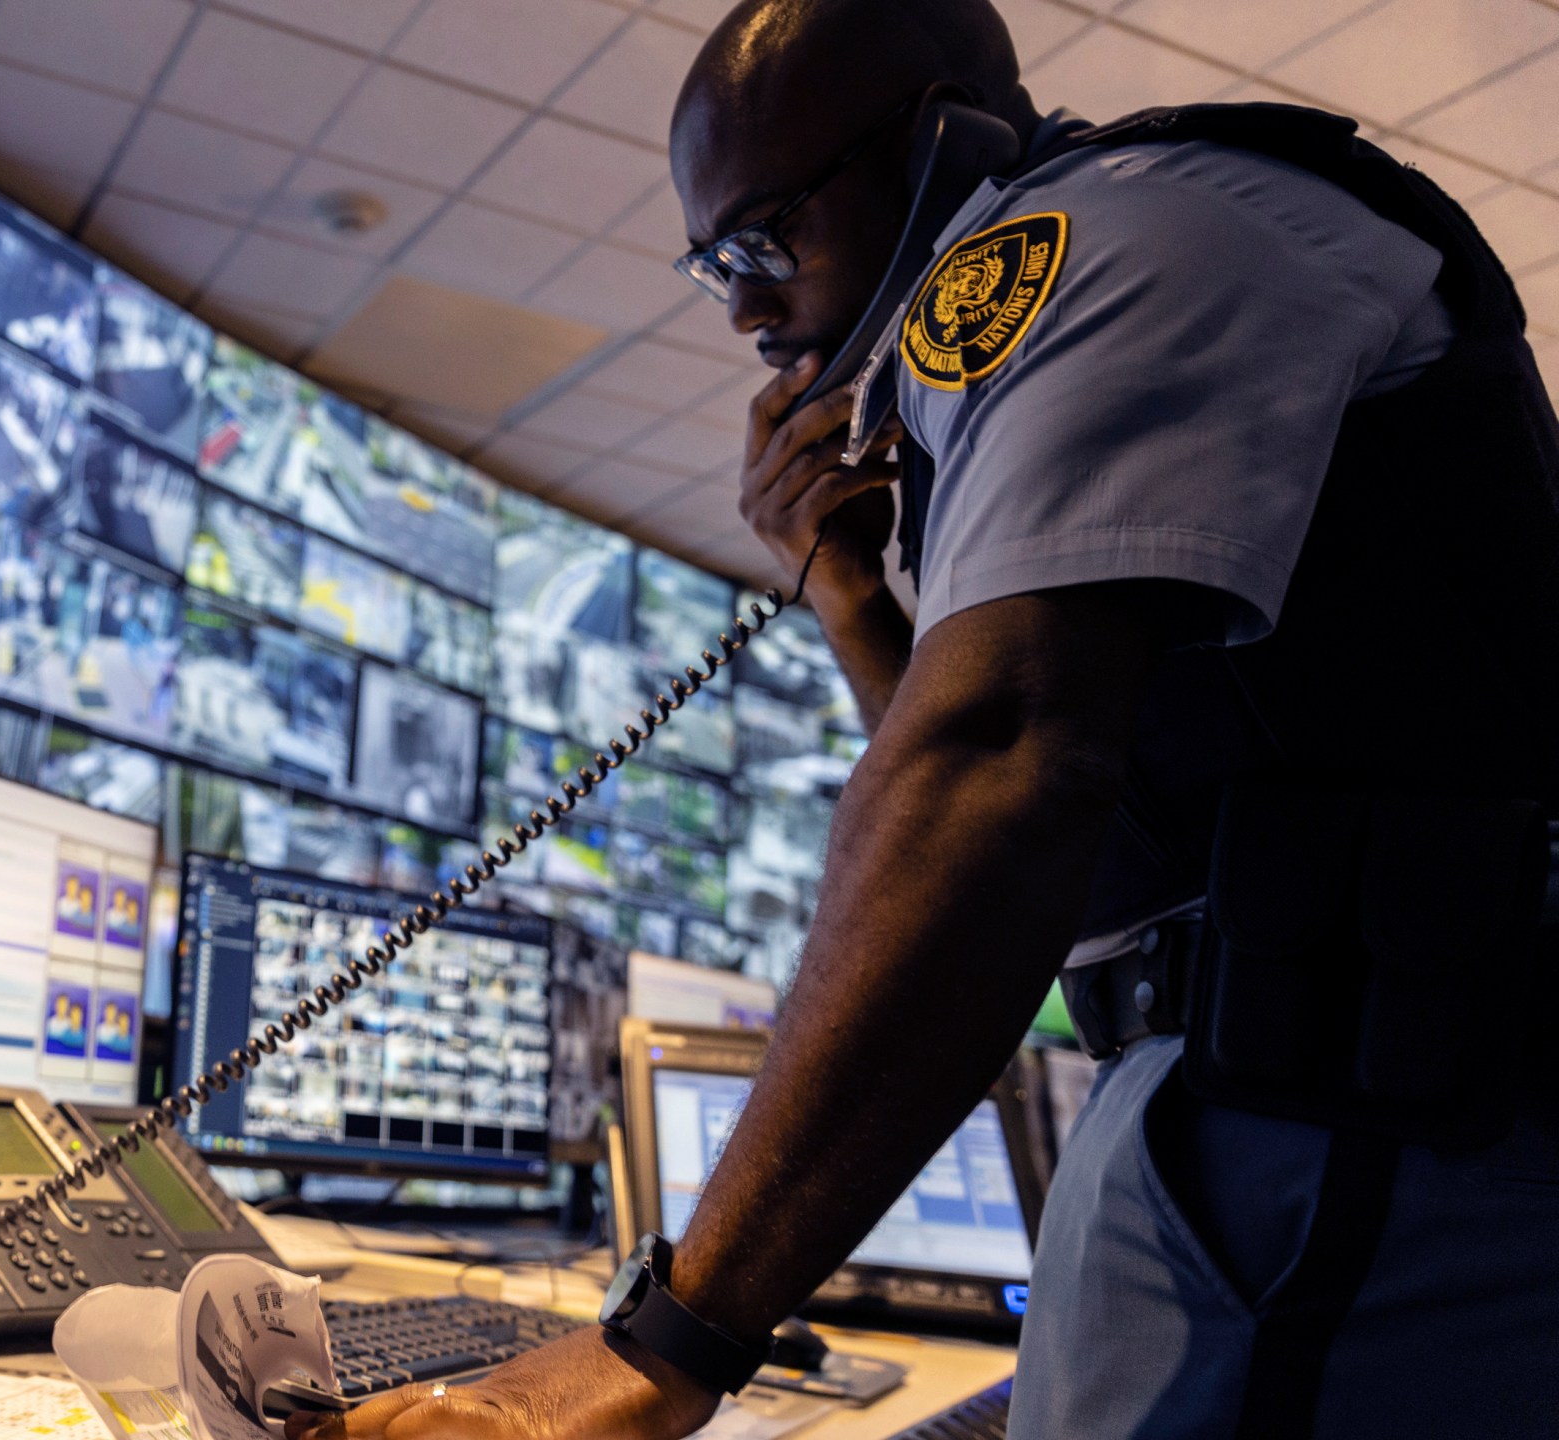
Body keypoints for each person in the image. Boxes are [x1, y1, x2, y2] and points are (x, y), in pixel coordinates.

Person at [301, 1, 1559, 1436]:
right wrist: (849, 593)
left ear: (946, 133)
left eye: (767, 238)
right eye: (715, 263)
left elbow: (1001, 765)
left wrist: (667, 1341)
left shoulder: (1091, 244)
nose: (743, 311)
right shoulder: (1099, 298)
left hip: (1361, 1128)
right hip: (1295, 1099)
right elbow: (1080, 870)